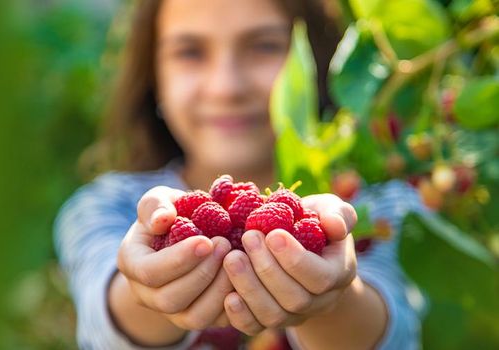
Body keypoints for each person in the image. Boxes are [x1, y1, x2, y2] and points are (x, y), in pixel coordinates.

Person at [54, 0, 424, 348]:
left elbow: (395, 332)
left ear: (317, 59)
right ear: (153, 75)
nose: (226, 87)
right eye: (190, 52)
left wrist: (332, 297)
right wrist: (145, 289)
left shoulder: (375, 207)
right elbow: (104, 324)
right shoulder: (104, 207)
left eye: (263, 46)